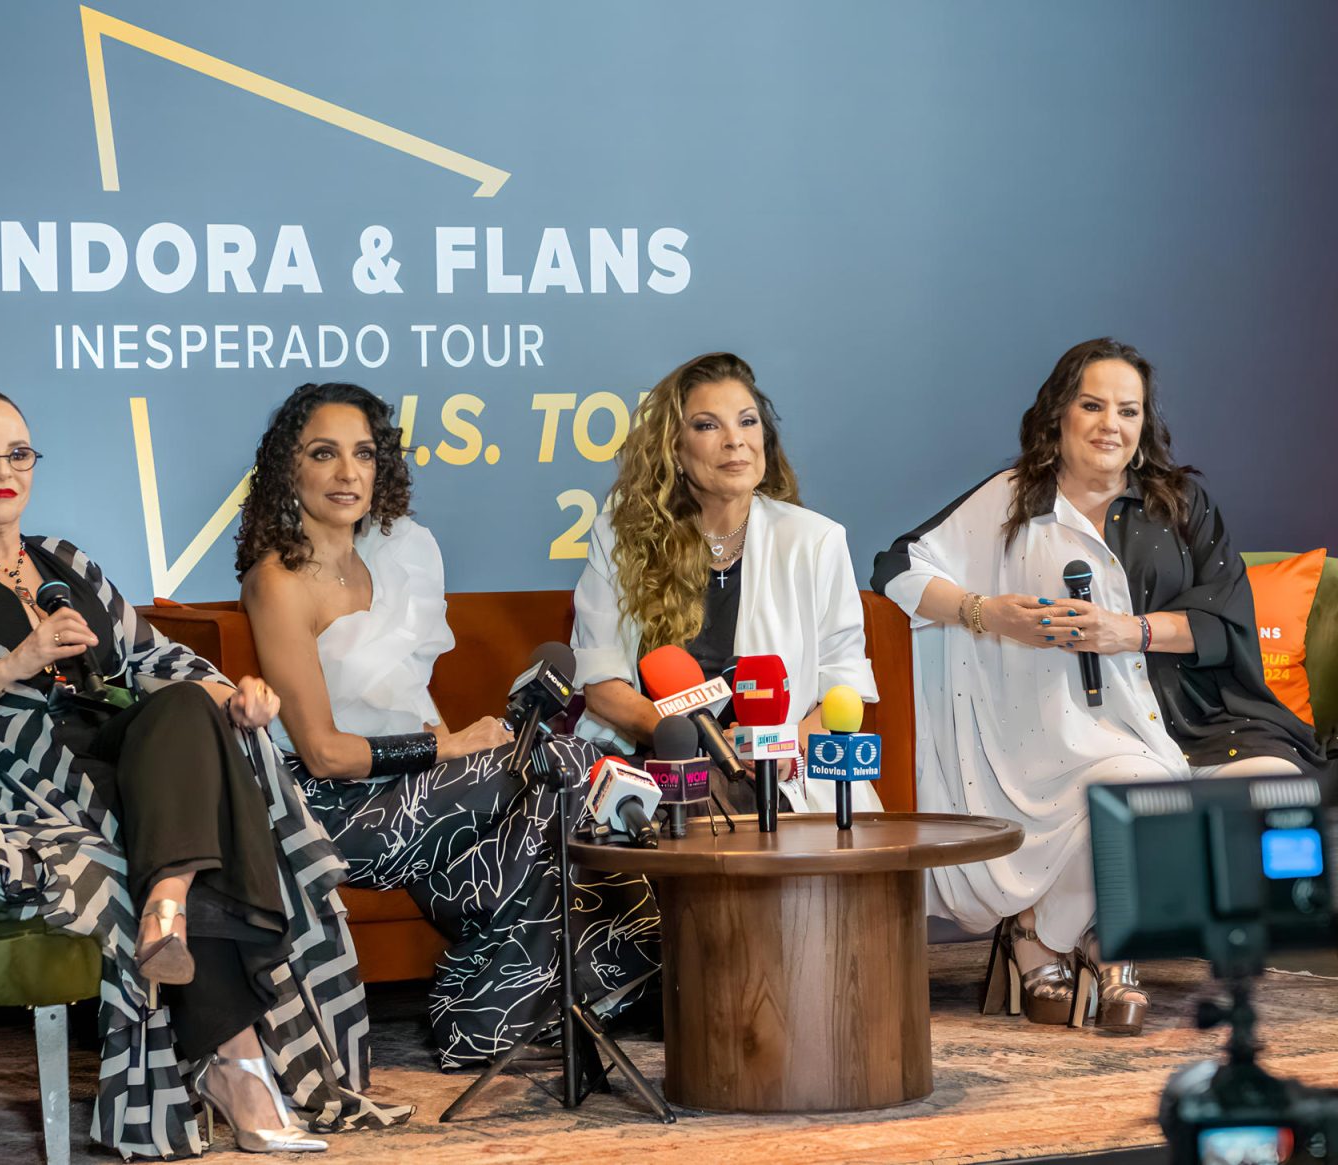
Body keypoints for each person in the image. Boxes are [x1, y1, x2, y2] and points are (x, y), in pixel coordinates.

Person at [0, 385, 411, 1158]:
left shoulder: (68, 562)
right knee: (202, 800)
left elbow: (158, 657)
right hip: (20, 774)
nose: (2, 470)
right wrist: (11, 665)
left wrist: (240, 692)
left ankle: (167, 899)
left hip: (128, 756)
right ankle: (238, 1059)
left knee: (193, 705)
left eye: (18, 453)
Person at [871, 337, 1325, 1035]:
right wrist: (982, 611)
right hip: (1072, 720)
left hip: (1198, 710)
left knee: (1270, 781)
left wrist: (1129, 631)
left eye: (1128, 410)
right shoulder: (1013, 499)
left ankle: (1039, 935)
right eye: (1092, 405)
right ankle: (1103, 945)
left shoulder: (1180, 503)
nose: (1110, 423)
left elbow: (1225, 618)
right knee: (1131, 785)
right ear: (1059, 414)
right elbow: (897, 567)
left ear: (1144, 425)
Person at [236, 382, 660, 1070]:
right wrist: (454, 748)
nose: (348, 473)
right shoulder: (277, 581)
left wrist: (469, 756)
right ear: (291, 469)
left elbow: (410, 697)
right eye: (324, 453)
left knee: (559, 772)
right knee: (560, 764)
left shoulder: (396, 558)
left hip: (411, 789)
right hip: (329, 810)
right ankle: (494, 1006)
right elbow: (322, 753)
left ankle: (494, 1016)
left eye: (364, 454)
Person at [571, 351, 880, 815]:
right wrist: (686, 741)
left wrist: (782, 749)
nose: (735, 441)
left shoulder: (816, 540)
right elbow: (601, 684)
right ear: (674, 448)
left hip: (770, 778)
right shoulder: (621, 535)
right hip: (654, 759)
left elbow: (845, 689)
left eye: (748, 422)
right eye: (708, 426)